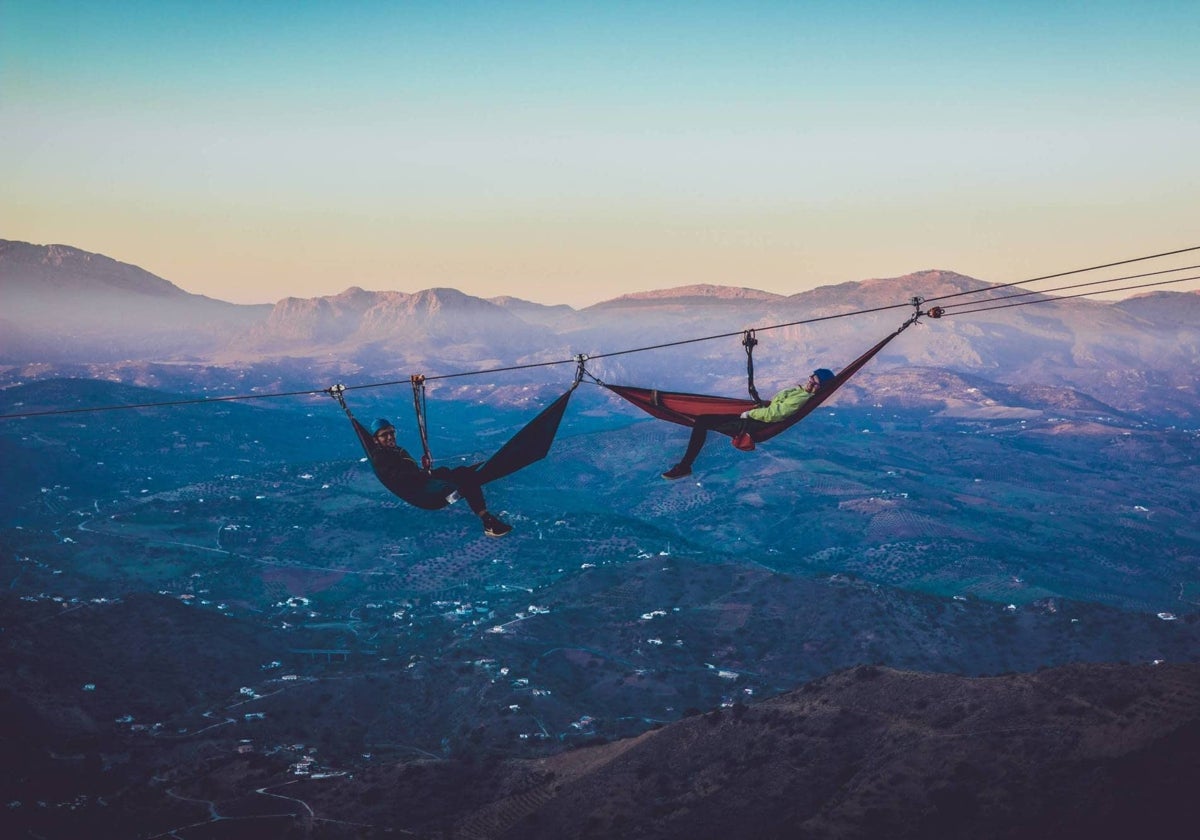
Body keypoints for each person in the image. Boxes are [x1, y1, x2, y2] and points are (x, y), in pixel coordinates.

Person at [662, 368, 836, 480]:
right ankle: (685, 466)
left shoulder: (801, 399)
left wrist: (749, 413)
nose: (811, 384)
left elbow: (774, 414)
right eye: (812, 379)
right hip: (754, 418)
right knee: (703, 419)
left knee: (702, 422)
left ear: (819, 389)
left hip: (753, 424)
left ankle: (685, 466)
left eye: (815, 385)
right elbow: (774, 405)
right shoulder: (798, 391)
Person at [364, 417, 513, 537]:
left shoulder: (397, 451)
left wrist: (426, 471)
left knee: (461, 472)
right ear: (376, 439)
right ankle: (488, 521)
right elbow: (398, 477)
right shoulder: (380, 457)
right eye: (384, 435)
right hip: (423, 494)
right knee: (466, 479)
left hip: (424, 483)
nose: (390, 437)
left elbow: (409, 471)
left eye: (391, 433)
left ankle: (476, 476)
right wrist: (424, 473)